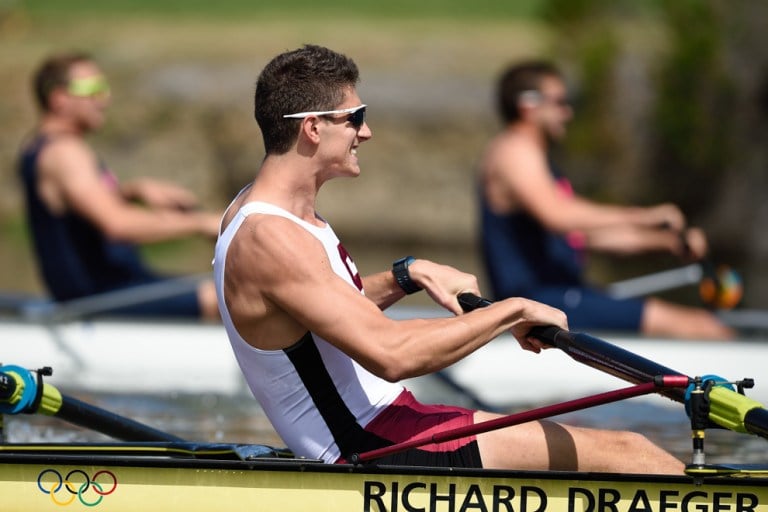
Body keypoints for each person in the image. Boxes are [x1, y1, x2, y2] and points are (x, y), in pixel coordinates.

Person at [213, 44, 683, 474]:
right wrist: (512, 310)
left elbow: (327, 306)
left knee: (625, 450)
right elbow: (391, 355)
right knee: (630, 454)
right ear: (313, 127)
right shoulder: (270, 238)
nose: (367, 132)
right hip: (368, 446)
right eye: (355, 116)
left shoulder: (264, 210)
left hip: (391, 425)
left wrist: (406, 274)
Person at [478, 60, 734, 340]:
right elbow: (558, 216)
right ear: (528, 106)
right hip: (536, 303)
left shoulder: (537, 162)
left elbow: (584, 236)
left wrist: (667, 242)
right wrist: (644, 216)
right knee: (707, 329)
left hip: (562, 296)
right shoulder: (515, 152)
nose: (568, 112)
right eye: (560, 102)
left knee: (704, 323)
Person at [19, 52, 221, 320]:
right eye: (93, 89)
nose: (105, 99)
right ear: (59, 98)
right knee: (226, 297)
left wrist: (133, 190)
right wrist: (201, 223)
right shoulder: (65, 154)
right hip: (101, 296)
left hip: (109, 287)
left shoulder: (38, 146)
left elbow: (76, 208)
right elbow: (117, 224)